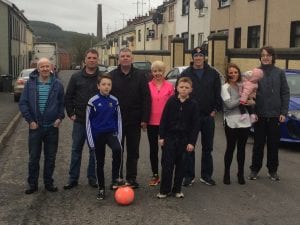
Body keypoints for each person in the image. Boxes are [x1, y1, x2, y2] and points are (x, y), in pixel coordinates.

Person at [19, 57, 65, 194]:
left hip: (52, 127)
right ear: (38, 69)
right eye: (42, 67)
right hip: (35, 127)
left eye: (47, 66)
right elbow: (23, 103)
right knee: (34, 158)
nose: (45, 69)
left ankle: (48, 183)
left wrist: (59, 118)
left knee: (50, 157)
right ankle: (32, 184)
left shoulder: (58, 84)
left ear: (51, 68)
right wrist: (30, 121)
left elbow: (62, 104)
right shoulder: (30, 84)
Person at [180, 46, 222, 186]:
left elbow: (218, 92)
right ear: (192, 58)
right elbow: (180, 92)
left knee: (207, 148)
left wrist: (215, 109)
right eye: (196, 56)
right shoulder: (186, 73)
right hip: (190, 117)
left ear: (204, 57)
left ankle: (206, 175)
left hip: (207, 116)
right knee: (189, 146)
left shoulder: (213, 74)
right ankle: (188, 175)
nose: (198, 58)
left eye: (201, 55)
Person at [109, 47, 151, 189]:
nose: (125, 58)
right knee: (117, 150)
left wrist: (145, 119)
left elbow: (146, 98)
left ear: (132, 58)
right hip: (116, 121)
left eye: (128, 56)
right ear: (119, 59)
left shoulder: (140, 76)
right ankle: (117, 178)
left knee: (133, 152)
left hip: (135, 120)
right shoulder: (112, 76)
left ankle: (131, 179)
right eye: (123, 56)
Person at [248, 46, 290, 181]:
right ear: (260, 57)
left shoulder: (279, 73)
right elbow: (249, 93)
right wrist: (252, 111)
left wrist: (283, 112)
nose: (265, 57)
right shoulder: (255, 73)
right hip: (259, 114)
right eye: (263, 55)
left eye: (268, 55)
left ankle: (272, 171)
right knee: (258, 145)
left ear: (273, 57)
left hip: (275, 116)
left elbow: (285, 92)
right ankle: (254, 169)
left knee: (273, 145)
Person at [64, 49, 102, 190]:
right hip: (80, 120)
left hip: (96, 122)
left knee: (94, 151)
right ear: (85, 60)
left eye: (94, 58)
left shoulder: (102, 77)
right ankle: (72, 179)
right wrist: (70, 113)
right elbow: (68, 97)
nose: (92, 60)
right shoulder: (76, 77)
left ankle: (92, 178)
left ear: (97, 60)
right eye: (89, 58)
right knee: (76, 150)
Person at [157, 77, 199, 199]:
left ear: (191, 89)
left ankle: (177, 189)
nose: (184, 89)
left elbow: (195, 125)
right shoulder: (171, 101)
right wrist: (162, 136)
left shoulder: (193, 105)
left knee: (181, 165)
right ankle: (164, 190)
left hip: (184, 139)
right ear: (176, 88)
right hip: (170, 137)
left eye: (187, 88)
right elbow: (164, 119)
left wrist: (192, 142)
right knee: (167, 164)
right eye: (181, 87)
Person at [86, 74, 123, 200]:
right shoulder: (92, 101)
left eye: (109, 85)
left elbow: (118, 120)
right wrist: (91, 142)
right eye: (103, 84)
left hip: (111, 133)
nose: (106, 87)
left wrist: (119, 136)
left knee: (118, 150)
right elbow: (88, 122)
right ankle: (101, 188)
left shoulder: (115, 100)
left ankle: (115, 180)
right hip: (98, 135)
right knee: (100, 162)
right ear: (98, 86)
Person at [221, 63, 252, 185]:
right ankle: (226, 173)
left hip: (244, 120)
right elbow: (229, 105)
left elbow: (252, 101)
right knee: (230, 147)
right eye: (231, 73)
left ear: (239, 73)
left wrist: (249, 100)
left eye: (235, 72)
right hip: (231, 120)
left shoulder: (243, 85)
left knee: (241, 149)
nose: (233, 75)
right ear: (227, 74)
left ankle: (240, 173)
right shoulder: (225, 87)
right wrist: (243, 98)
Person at [147, 60, 174, 186]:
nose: (157, 73)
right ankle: (155, 175)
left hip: (166, 123)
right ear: (152, 72)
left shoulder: (170, 86)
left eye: (160, 71)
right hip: (151, 122)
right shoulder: (147, 86)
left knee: (166, 150)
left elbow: (173, 105)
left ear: (164, 72)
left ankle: (166, 174)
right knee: (153, 150)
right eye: (155, 71)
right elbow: (145, 104)